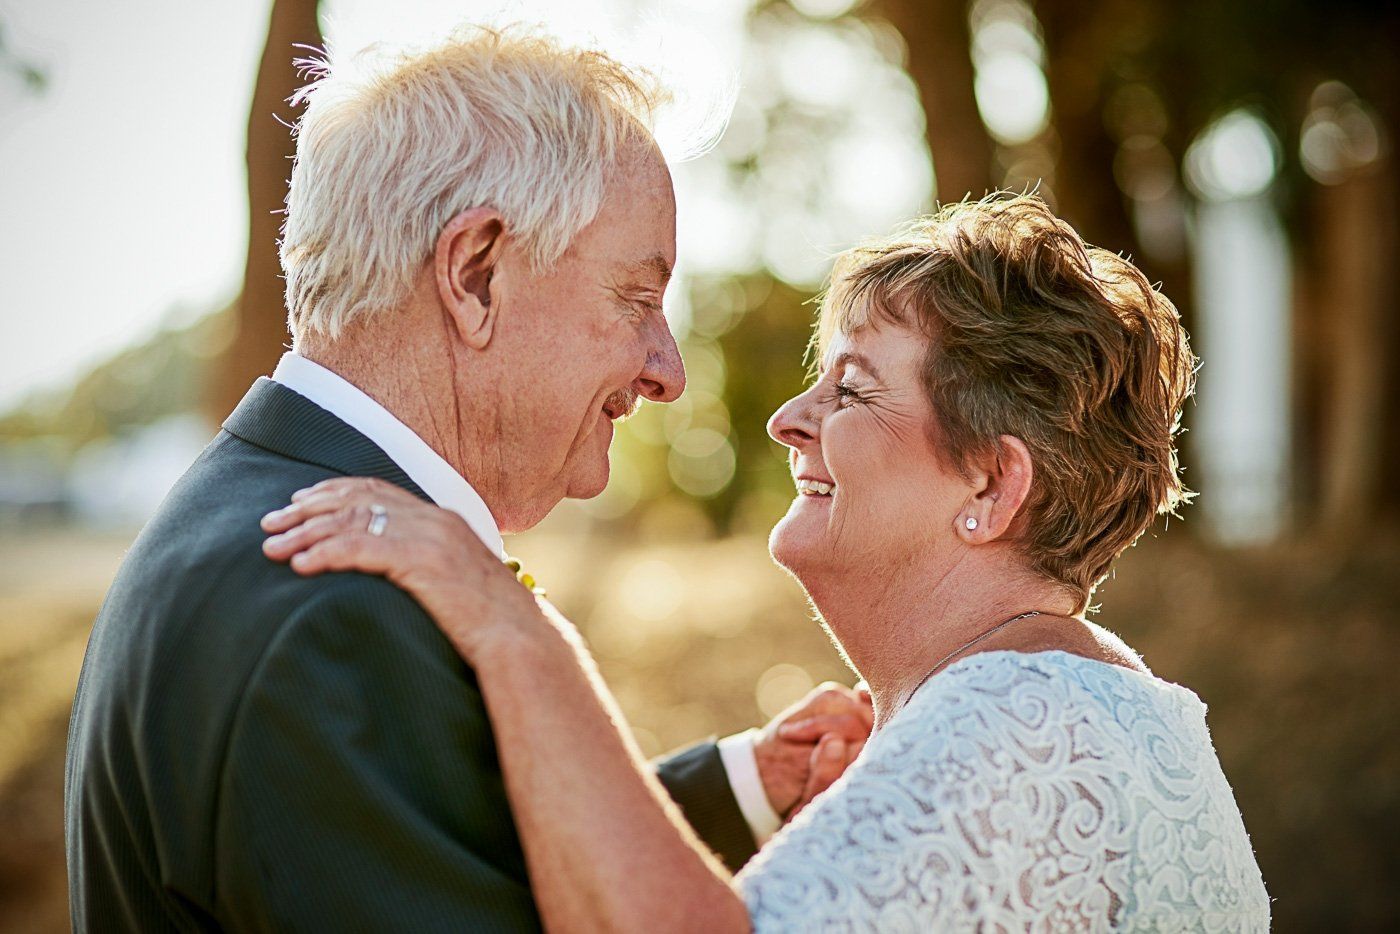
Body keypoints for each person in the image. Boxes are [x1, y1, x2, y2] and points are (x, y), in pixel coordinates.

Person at [263, 194, 1272, 930]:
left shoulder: (1022, 724)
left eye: (854, 390)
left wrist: (512, 627)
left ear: (991, 486)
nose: (790, 421)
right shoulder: (1076, 710)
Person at [64, 26, 871, 932]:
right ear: (475, 274)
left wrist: (739, 786)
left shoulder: (266, 515)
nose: (667, 371)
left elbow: (439, 850)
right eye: (639, 299)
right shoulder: (331, 620)